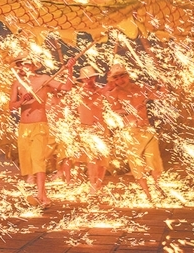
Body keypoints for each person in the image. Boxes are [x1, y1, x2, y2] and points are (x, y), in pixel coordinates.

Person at [9, 52, 76, 209]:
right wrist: (22, 100)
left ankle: (40, 195)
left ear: (33, 65)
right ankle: (44, 197)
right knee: (28, 161)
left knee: (38, 159)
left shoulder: (44, 79)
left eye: (28, 63)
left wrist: (69, 70)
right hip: (23, 127)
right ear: (19, 67)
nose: (25, 66)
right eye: (21, 64)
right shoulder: (17, 84)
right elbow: (11, 106)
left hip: (39, 125)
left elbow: (67, 87)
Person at [104, 63, 165, 201]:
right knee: (136, 164)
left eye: (122, 76)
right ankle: (147, 194)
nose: (120, 80)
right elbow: (115, 111)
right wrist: (130, 110)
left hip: (147, 129)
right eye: (117, 77)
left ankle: (157, 185)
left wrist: (162, 82)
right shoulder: (114, 94)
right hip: (130, 132)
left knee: (153, 159)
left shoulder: (141, 88)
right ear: (113, 80)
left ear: (128, 75)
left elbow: (161, 96)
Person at [73, 65, 109, 195]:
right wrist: (103, 91)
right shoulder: (79, 92)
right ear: (82, 80)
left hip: (101, 128)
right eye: (86, 78)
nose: (89, 80)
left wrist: (111, 85)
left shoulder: (101, 89)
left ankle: (99, 185)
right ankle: (92, 185)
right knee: (92, 159)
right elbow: (88, 101)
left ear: (95, 77)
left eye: (91, 78)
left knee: (103, 160)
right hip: (87, 129)